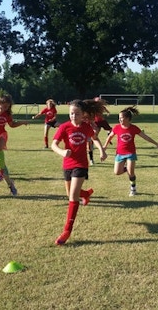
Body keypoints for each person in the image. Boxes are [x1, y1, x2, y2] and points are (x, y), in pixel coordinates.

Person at [51, 99, 108, 245]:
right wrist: (62, 152)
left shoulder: (86, 127)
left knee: (72, 197)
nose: (73, 116)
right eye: (71, 113)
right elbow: (54, 144)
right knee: (70, 193)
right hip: (67, 164)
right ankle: (86, 193)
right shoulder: (64, 127)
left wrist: (101, 150)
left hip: (81, 165)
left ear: (83, 115)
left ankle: (67, 231)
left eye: (76, 113)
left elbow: (94, 139)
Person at [104, 106, 158, 196]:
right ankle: (128, 168)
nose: (119, 119)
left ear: (127, 118)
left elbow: (146, 137)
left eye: (121, 118)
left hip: (130, 153)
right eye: (119, 118)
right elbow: (109, 137)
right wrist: (104, 147)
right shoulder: (117, 128)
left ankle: (133, 189)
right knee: (117, 172)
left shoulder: (134, 128)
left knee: (131, 172)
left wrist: (156, 143)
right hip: (119, 153)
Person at [88, 97, 112, 165]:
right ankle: (91, 159)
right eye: (97, 102)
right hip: (96, 123)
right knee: (90, 142)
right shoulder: (91, 109)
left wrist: (108, 113)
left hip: (101, 122)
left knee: (94, 137)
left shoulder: (101, 107)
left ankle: (108, 134)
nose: (98, 103)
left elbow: (105, 109)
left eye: (99, 101)